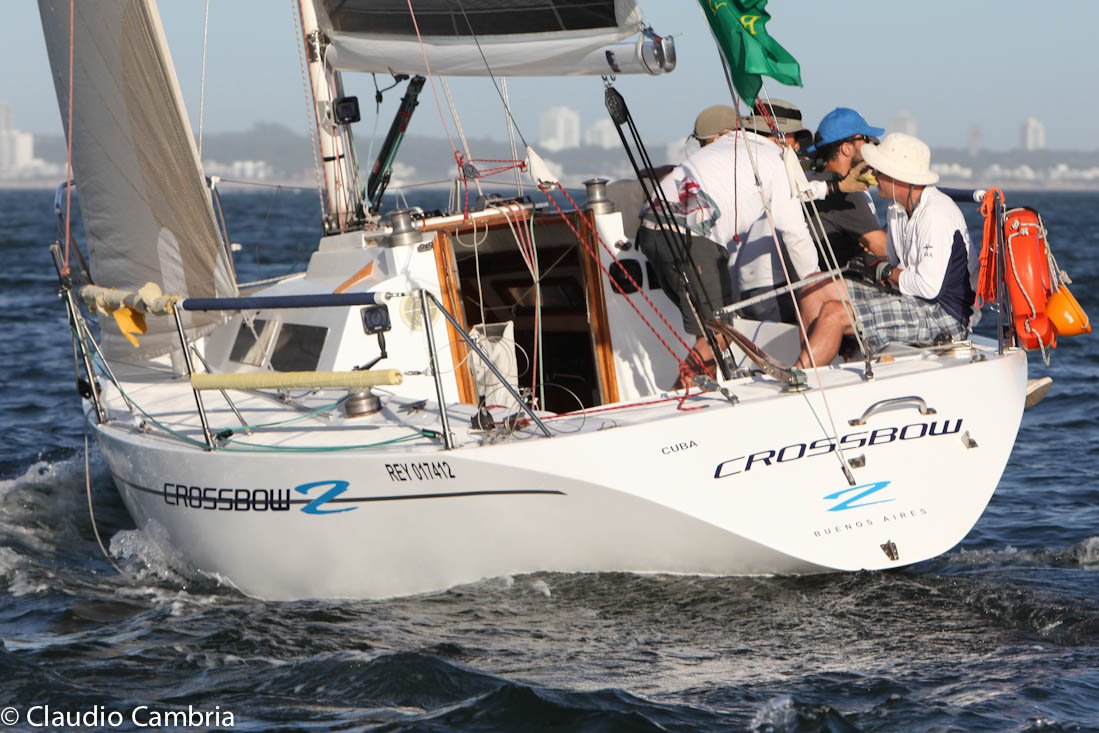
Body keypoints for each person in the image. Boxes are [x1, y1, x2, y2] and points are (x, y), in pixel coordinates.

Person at [636, 104, 830, 372]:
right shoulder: (776, 160)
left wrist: (830, 187)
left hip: (650, 228)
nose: (797, 148)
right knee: (719, 334)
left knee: (708, 328)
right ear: (780, 137)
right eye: (795, 139)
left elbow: (798, 190)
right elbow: (795, 233)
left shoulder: (727, 144)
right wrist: (815, 286)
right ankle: (685, 390)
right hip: (693, 238)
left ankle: (705, 386)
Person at [795, 133, 980, 368]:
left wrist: (883, 271)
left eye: (879, 170)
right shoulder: (896, 209)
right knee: (812, 287)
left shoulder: (936, 214)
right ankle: (816, 368)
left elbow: (928, 288)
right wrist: (876, 269)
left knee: (835, 313)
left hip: (944, 315)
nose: (874, 175)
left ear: (898, 177)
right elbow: (893, 266)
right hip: (909, 297)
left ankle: (802, 375)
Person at [804, 108, 888, 271]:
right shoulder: (846, 193)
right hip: (838, 280)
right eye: (865, 138)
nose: (871, 144)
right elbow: (884, 248)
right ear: (846, 149)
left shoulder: (810, 181)